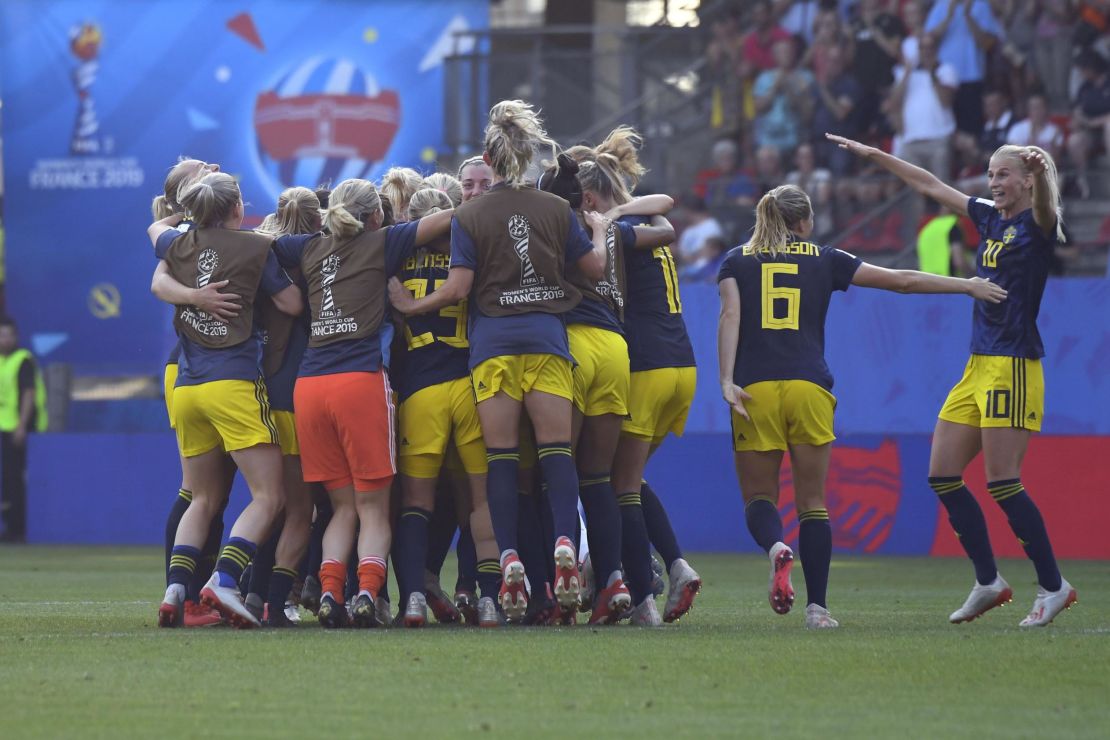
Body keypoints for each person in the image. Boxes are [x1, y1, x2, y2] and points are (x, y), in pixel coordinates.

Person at [717, 183, 1008, 629]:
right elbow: (903, 281)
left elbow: (730, 316)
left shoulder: (736, 260)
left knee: (759, 498)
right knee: (813, 503)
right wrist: (966, 285)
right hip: (809, 387)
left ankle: (777, 549)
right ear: (805, 222)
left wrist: (726, 380)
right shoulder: (826, 257)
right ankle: (818, 610)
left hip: (755, 389)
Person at [829, 132, 1078, 627]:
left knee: (1003, 481)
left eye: (1003, 174)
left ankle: (1054, 586)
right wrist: (877, 156)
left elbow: (1049, 208)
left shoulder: (1037, 222)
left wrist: (1045, 175)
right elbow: (931, 184)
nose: (994, 182)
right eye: (990, 174)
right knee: (942, 474)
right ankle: (989, 581)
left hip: (1013, 364)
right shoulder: (988, 216)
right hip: (977, 364)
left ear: (1028, 181)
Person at [388, 100, 608, 623]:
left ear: (490, 157)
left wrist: (410, 304)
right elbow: (594, 271)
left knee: (502, 460)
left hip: (492, 349)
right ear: (531, 157)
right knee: (557, 454)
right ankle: (561, 543)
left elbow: (458, 288)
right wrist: (599, 232)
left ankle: (507, 554)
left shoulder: (469, 214)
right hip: (547, 341)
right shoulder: (556, 209)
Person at [272, 178, 453, 628]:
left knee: (340, 507)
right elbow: (454, 216)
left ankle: (331, 592)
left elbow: (261, 247)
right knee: (373, 507)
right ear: (376, 216)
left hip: (309, 387)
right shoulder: (384, 242)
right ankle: (368, 593)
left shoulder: (307, 248)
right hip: (359, 383)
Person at [150, 172, 304, 629]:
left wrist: (182, 222)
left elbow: (154, 230)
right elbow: (293, 304)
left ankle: (175, 590)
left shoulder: (179, 244)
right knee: (270, 496)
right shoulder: (258, 247)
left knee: (202, 498)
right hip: (232, 383)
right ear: (238, 208)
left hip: (187, 387)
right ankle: (224, 578)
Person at [391, 187, 501, 628]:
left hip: (421, 390)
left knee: (416, 504)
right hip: (469, 387)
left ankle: (412, 599)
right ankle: (490, 599)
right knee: (480, 501)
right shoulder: (471, 256)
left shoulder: (394, 258)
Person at [925, 0, 1003, 136]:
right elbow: (929, 39)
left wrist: (968, 16)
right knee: (946, 130)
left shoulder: (981, 5)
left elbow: (987, 44)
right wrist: (949, 16)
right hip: (945, 78)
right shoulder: (941, 5)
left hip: (972, 77)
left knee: (971, 131)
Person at [0, 317, 46, 543]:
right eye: (2, 335)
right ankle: (8, 525)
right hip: (2, 426)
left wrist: (21, 425)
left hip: (17, 429)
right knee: (6, 480)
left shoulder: (23, 360)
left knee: (15, 480)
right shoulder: (1, 361)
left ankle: (17, 529)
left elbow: (28, 394)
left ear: (16, 337)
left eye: (9, 335)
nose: (5, 339)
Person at [752, 38, 814, 155]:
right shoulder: (763, 78)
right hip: (768, 141)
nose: (786, 55)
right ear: (774, 56)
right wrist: (775, 88)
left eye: (788, 52)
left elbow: (808, 114)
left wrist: (789, 88)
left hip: (795, 140)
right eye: (781, 52)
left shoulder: (805, 77)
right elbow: (758, 108)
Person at [1006, 92, 1063, 161]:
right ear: (1028, 110)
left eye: (1040, 107)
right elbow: (1014, 157)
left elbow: (1054, 160)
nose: (1037, 111)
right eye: (1034, 108)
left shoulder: (1054, 130)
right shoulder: (1017, 129)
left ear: (1046, 108)